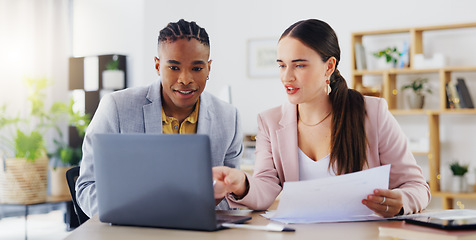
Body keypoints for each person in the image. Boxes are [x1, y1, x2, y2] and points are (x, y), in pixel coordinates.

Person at [213, 19, 430, 218]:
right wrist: (242, 183)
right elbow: (265, 187)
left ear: (329, 66)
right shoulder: (270, 121)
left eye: (299, 65)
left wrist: (402, 200)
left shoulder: (372, 113)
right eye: (282, 65)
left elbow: (416, 186)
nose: (286, 76)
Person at [76, 19, 243, 217]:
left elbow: (231, 199)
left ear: (208, 68)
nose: (185, 79)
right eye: (174, 68)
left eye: (197, 68)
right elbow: (87, 186)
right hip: (133, 228)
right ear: (157, 66)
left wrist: (219, 196)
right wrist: (136, 218)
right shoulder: (116, 108)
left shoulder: (228, 118)